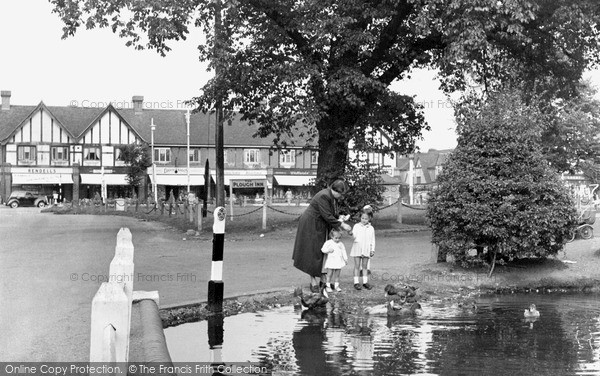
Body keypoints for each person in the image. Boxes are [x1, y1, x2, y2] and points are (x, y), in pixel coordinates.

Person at [292, 179, 352, 292]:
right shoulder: (324, 196)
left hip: (319, 224)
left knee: (321, 251)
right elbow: (327, 215)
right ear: (335, 190)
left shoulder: (332, 197)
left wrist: (340, 218)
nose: (342, 197)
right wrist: (342, 225)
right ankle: (313, 281)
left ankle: (322, 277)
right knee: (313, 252)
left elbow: (332, 214)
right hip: (311, 224)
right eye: (341, 194)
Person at [349, 209, 376, 290]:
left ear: (369, 218)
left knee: (364, 266)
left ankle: (365, 282)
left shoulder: (371, 228)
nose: (364, 220)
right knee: (357, 266)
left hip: (366, 248)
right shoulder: (356, 226)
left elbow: (372, 240)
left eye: (366, 218)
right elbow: (353, 237)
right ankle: (356, 282)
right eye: (362, 218)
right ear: (360, 218)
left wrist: (372, 250)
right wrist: (351, 234)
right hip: (357, 247)